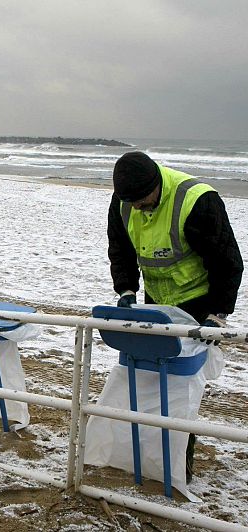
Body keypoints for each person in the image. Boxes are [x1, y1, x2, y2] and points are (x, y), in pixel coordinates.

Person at [107, 151, 243, 481]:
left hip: (198, 301)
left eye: (142, 200)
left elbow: (228, 262)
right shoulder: (124, 200)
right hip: (158, 302)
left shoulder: (197, 201)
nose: (137, 207)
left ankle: (179, 462)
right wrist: (126, 290)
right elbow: (120, 247)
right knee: (153, 375)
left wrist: (219, 314)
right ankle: (149, 451)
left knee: (181, 385)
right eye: (132, 202)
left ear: (156, 184)